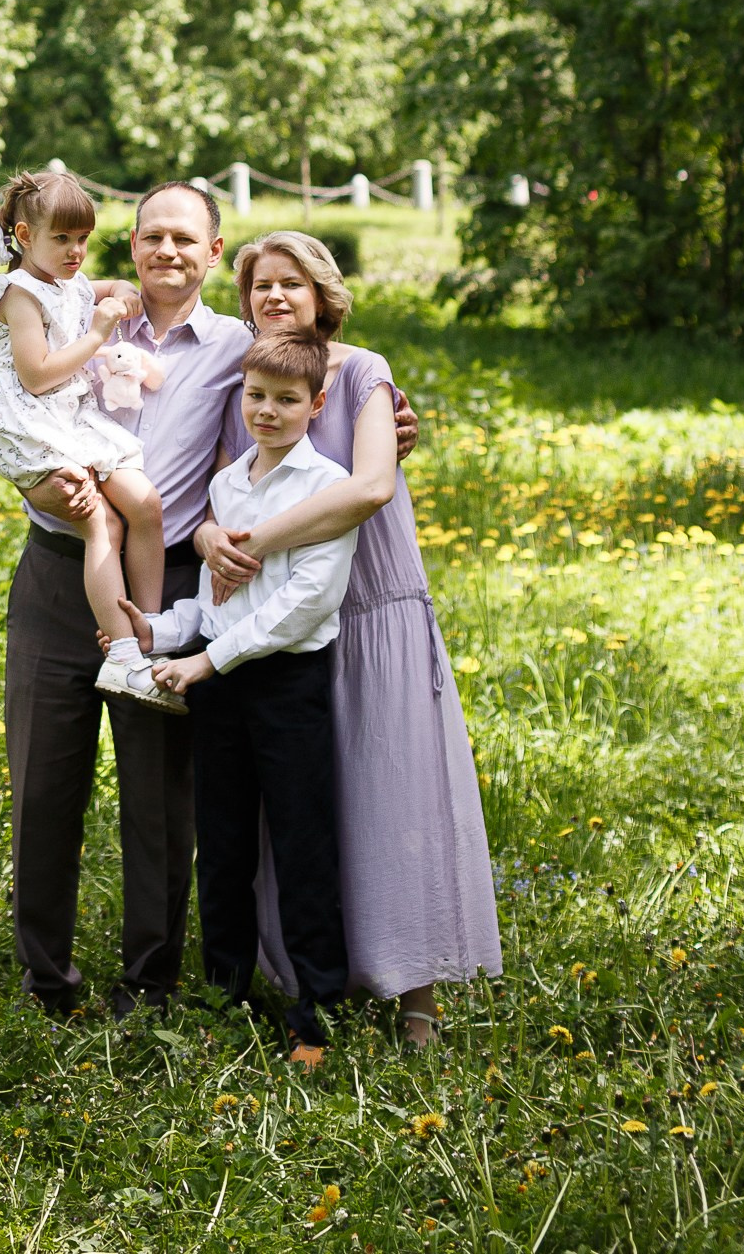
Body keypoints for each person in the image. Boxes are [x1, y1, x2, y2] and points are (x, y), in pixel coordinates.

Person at [192, 230, 501, 1048]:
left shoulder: (362, 371)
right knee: (301, 811)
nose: (274, 296)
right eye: (260, 284)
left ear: (323, 295)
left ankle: (418, 997)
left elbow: (369, 486)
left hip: (373, 608)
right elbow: (219, 494)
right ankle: (310, 974)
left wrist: (257, 542)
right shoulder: (247, 382)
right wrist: (212, 540)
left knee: (393, 789)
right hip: (278, 626)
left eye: (291, 283)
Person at [1, 178, 252, 1019]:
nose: (166, 251)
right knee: (43, 787)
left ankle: (149, 982)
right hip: (56, 574)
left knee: (158, 797)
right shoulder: (79, 310)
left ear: (213, 251)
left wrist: (386, 411)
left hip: (165, 588)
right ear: (132, 246)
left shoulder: (236, 347)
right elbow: (14, 396)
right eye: (151, 236)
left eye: (184, 238)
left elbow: (308, 390)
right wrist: (38, 487)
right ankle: (47, 982)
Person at [145, 328, 356, 1072]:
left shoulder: (329, 486)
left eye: (286, 400)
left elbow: (306, 603)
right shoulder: (228, 485)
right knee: (223, 845)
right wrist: (158, 630)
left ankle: (317, 1015)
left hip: (288, 685)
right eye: (256, 396)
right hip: (220, 684)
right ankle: (223, 999)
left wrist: (207, 661)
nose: (267, 411)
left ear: (315, 404)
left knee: (303, 846)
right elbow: (217, 600)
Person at [0, 170, 171, 706]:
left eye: (83, 238)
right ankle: (123, 655)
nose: (76, 251)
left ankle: (150, 633)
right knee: (102, 521)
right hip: (31, 423)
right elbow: (37, 375)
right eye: (61, 238)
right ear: (24, 235)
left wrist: (122, 290)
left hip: (72, 419)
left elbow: (103, 289)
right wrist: (99, 332)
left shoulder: (68, 279)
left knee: (145, 504)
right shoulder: (19, 295)